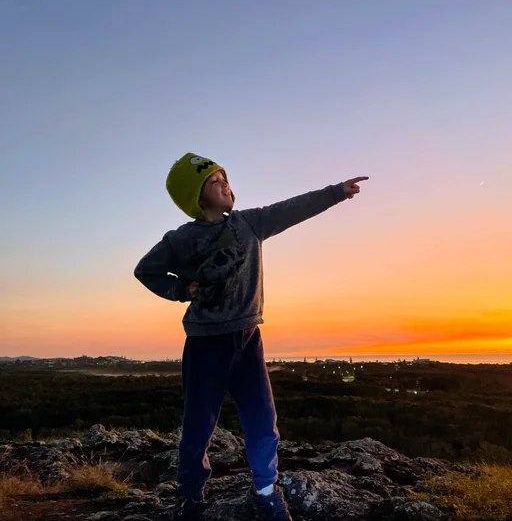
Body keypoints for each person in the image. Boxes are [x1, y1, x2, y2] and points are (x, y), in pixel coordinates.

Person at [133, 153, 368, 521]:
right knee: (198, 426)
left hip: (247, 339)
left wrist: (336, 192)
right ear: (196, 197)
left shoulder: (250, 223)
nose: (225, 183)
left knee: (262, 422)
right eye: (214, 181)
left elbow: (292, 209)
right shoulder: (179, 240)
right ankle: (190, 498)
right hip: (205, 342)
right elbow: (145, 271)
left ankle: (266, 493)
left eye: (224, 176)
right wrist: (182, 289)